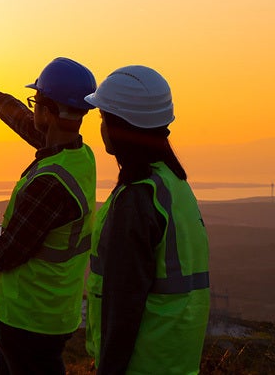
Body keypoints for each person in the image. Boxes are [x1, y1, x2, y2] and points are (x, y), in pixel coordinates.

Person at [0, 57, 98, 375]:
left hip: (30, 317)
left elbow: (4, 253)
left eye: (36, 101)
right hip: (51, 311)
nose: (33, 108)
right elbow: (24, 121)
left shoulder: (50, 184)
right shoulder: (79, 155)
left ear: (50, 111)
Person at [83, 65, 210, 375]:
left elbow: (123, 310)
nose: (100, 128)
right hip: (175, 363)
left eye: (103, 118)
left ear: (120, 127)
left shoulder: (137, 201)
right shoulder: (174, 185)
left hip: (141, 365)